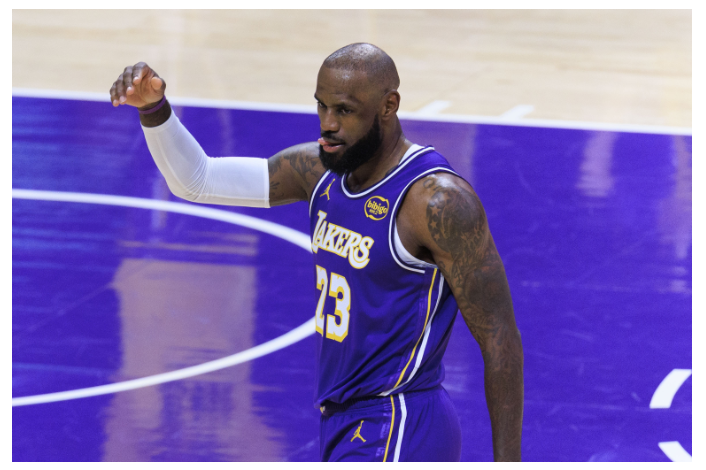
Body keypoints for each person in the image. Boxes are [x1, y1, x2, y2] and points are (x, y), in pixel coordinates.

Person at [109, 43, 523, 462]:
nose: (328, 124)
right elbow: (199, 179)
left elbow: (500, 339)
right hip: (345, 421)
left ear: (388, 106)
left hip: (397, 422)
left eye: (344, 110)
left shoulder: (435, 202)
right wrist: (154, 110)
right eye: (321, 106)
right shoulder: (318, 171)